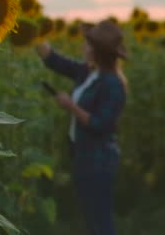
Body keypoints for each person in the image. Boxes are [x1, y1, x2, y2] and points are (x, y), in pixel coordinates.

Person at [36, 19, 128, 235]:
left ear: (96, 51)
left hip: (99, 159)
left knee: (100, 217)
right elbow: (56, 62)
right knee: (90, 216)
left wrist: (71, 106)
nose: (83, 47)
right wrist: (35, 38)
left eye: (88, 44)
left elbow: (101, 124)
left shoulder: (113, 84)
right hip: (83, 155)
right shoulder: (89, 73)